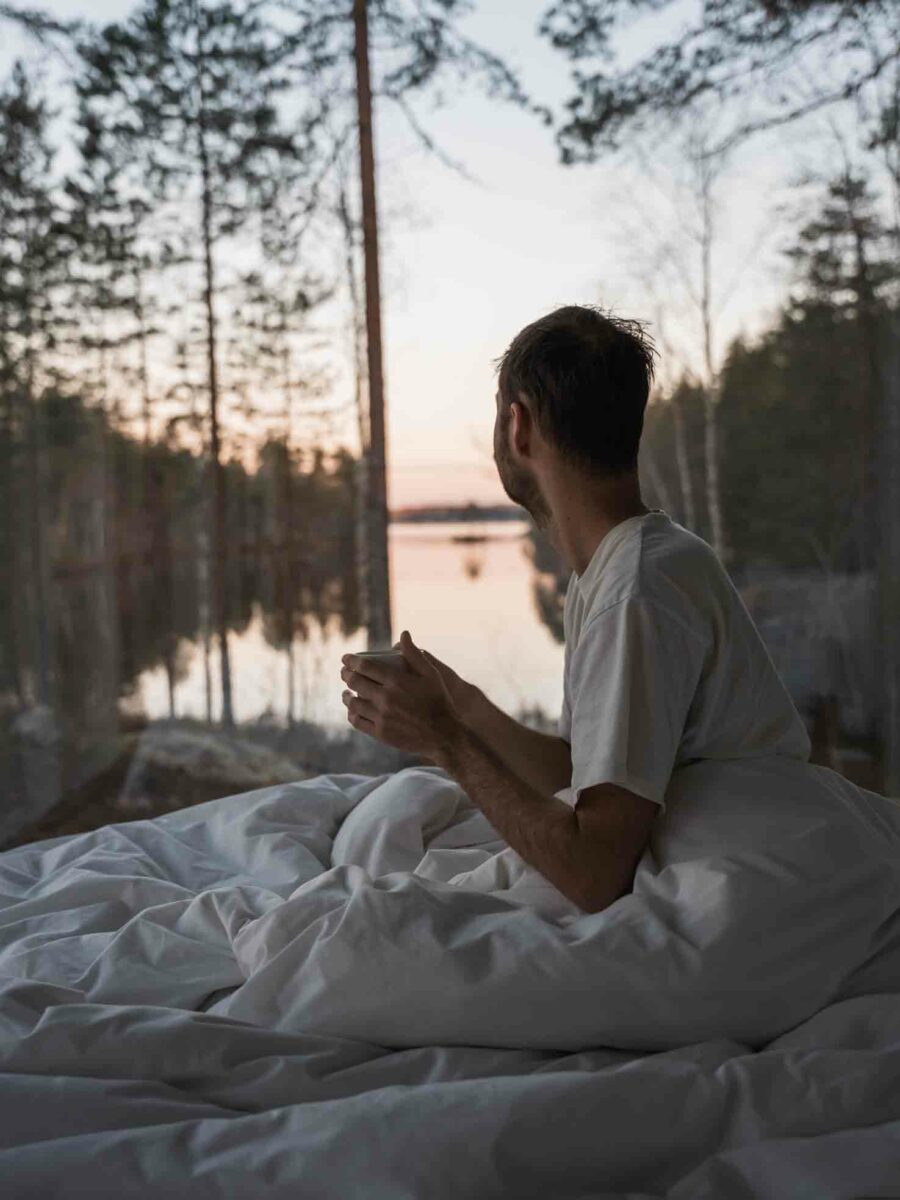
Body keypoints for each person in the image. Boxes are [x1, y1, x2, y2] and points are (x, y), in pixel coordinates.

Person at [340, 304, 812, 916]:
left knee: (357, 937)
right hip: (737, 846)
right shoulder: (627, 563)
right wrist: (464, 707)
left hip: (745, 877)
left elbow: (594, 874)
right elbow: (594, 775)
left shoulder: (636, 589)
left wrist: (447, 743)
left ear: (519, 426)